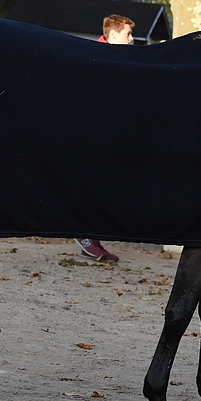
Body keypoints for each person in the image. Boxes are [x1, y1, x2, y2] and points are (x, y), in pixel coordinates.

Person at [73, 14, 135, 262]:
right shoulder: (97, 58)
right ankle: (85, 235)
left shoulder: (114, 58)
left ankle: (90, 236)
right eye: (128, 34)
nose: (132, 40)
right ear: (112, 36)